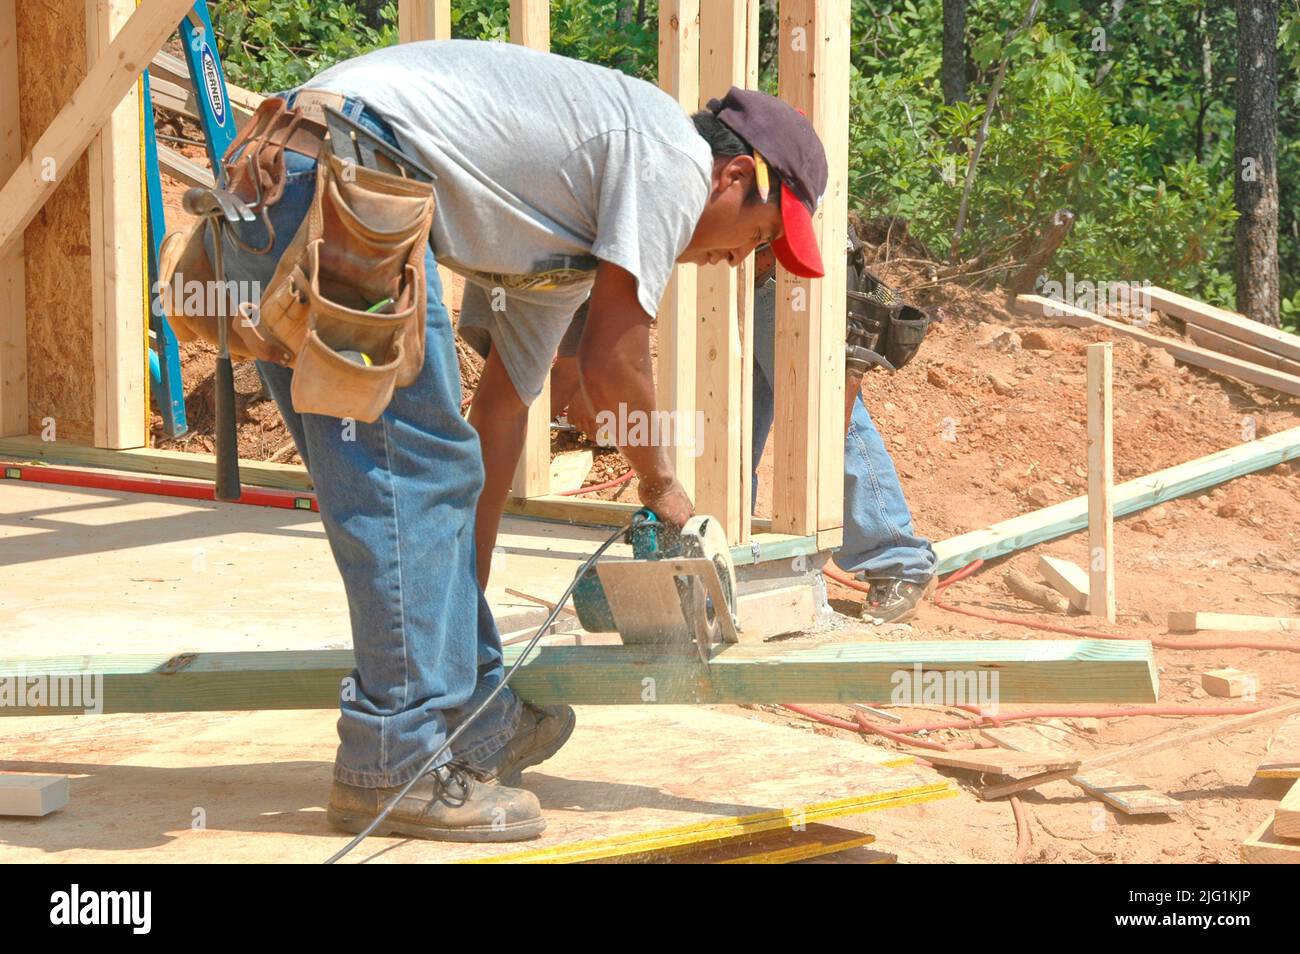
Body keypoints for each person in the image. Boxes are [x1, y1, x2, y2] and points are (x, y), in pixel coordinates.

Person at [210, 39, 829, 843]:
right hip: (341, 185)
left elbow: (496, 424)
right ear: (735, 176)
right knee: (414, 477)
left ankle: (471, 715)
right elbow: (612, 362)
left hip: (287, 187)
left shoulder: (561, 245)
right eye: (755, 238)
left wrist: (465, 609)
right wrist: (660, 487)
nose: (735, 261)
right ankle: (397, 759)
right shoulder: (669, 155)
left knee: (414, 477)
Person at [547, 242, 936, 625]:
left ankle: (897, 561)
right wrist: (573, 362)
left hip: (785, 281)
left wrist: (576, 364)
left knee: (830, 422)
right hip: (720, 288)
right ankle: (718, 544)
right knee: (722, 430)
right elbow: (609, 263)